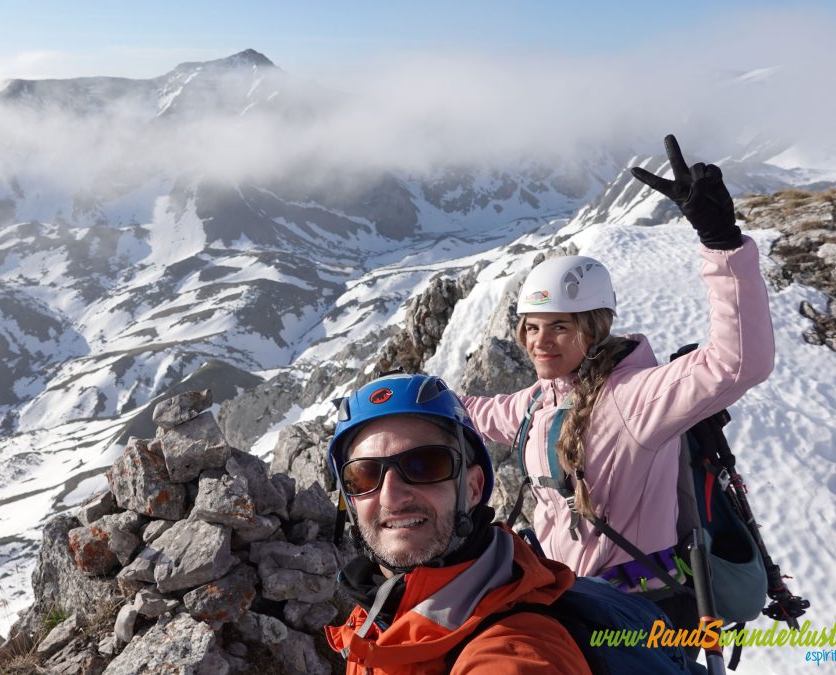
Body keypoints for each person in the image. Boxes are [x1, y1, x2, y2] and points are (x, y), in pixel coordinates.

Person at [461, 134, 775, 633]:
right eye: (533, 328)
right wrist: (416, 397)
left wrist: (722, 244)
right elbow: (480, 414)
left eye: (560, 327)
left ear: (594, 328)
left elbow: (738, 362)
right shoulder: (541, 399)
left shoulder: (637, 398)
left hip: (641, 612)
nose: (542, 343)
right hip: (572, 597)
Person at [324, 373, 591, 674]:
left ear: (474, 488)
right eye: (365, 475)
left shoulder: (516, 649)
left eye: (424, 465)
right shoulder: (374, 616)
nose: (390, 497)